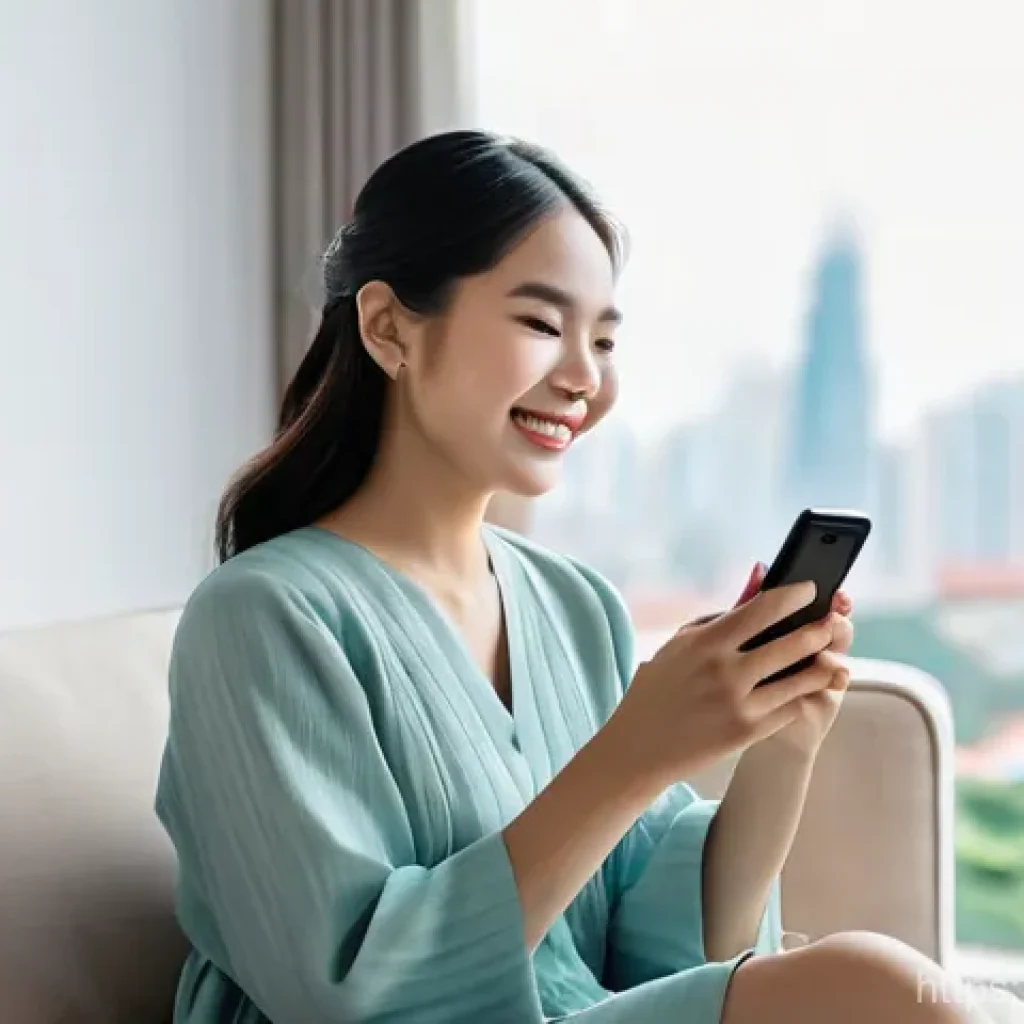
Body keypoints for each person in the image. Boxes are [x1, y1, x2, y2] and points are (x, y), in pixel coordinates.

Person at [154, 130, 980, 1023]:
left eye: (606, 339)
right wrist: (634, 752)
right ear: (389, 327)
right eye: (543, 324)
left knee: (902, 992)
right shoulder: (261, 619)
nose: (585, 376)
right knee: (880, 987)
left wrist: (781, 743)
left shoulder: (573, 604)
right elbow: (348, 991)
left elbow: (662, 951)